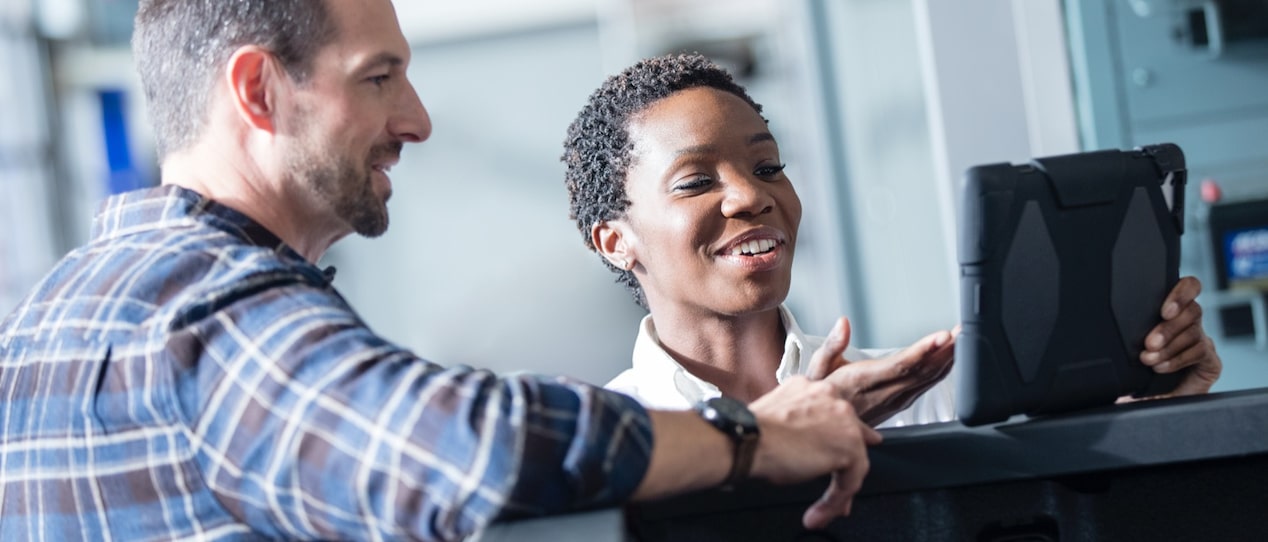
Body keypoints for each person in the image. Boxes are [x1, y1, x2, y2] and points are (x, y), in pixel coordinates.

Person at [0, 3, 884, 540]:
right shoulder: (214, 311)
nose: (416, 120)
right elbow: (477, 448)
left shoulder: (47, 321)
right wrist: (757, 441)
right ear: (258, 90)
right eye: (379, 77)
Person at [560, 53, 1223, 427]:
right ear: (616, 241)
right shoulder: (599, 435)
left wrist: (1153, 407)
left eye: (767, 168)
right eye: (695, 180)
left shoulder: (924, 394)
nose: (751, 196)